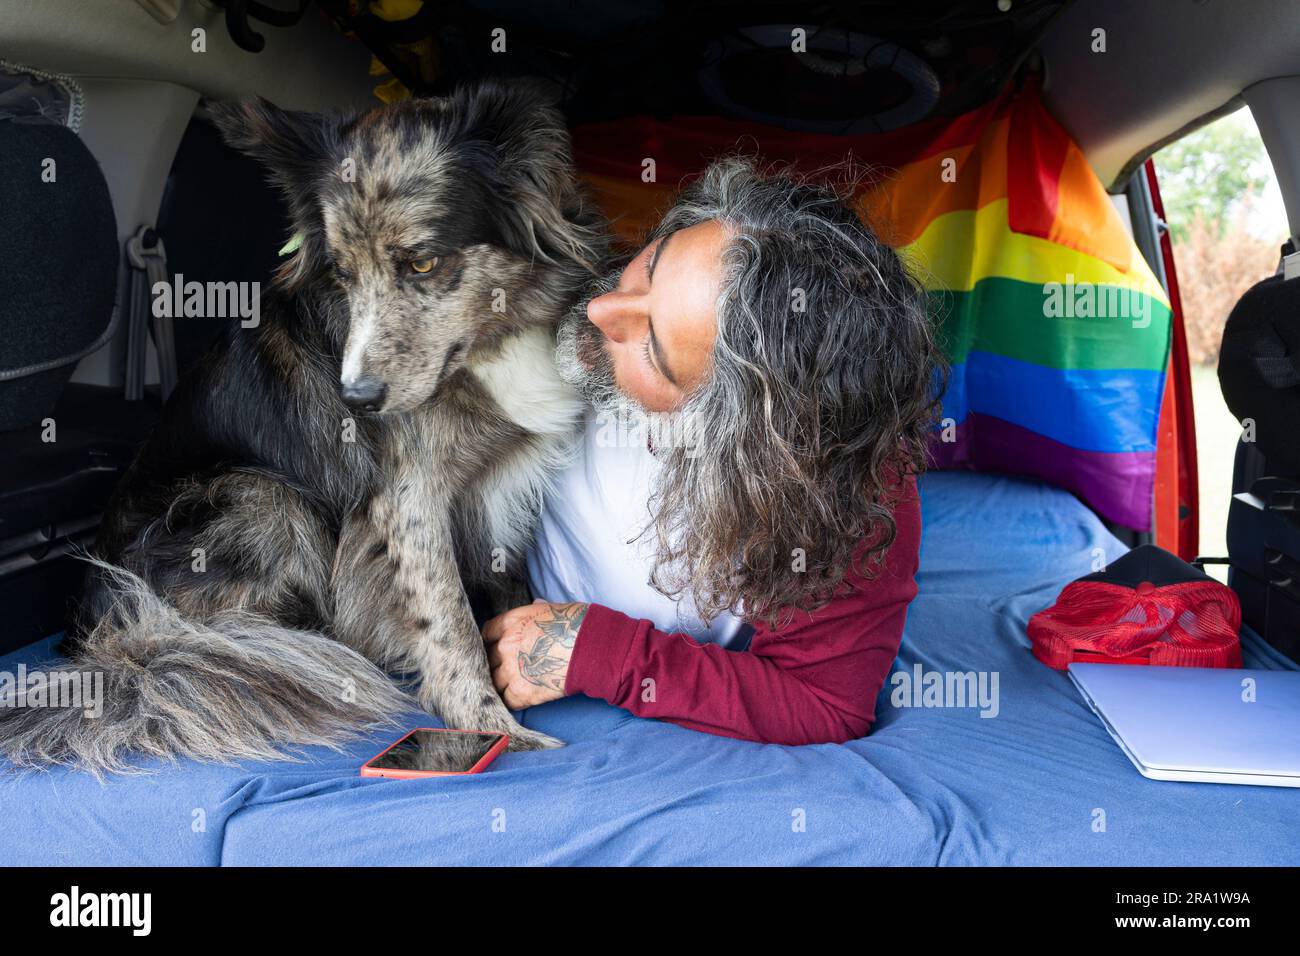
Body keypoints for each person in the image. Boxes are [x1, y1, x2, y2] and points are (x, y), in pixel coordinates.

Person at [482, 157, 944, 745]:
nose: (602, 312)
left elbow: (822, 703)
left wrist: (601, 653)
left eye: (652, 348)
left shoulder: (850, 499)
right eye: (650, 267)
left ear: (737, 434)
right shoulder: (556, 289)